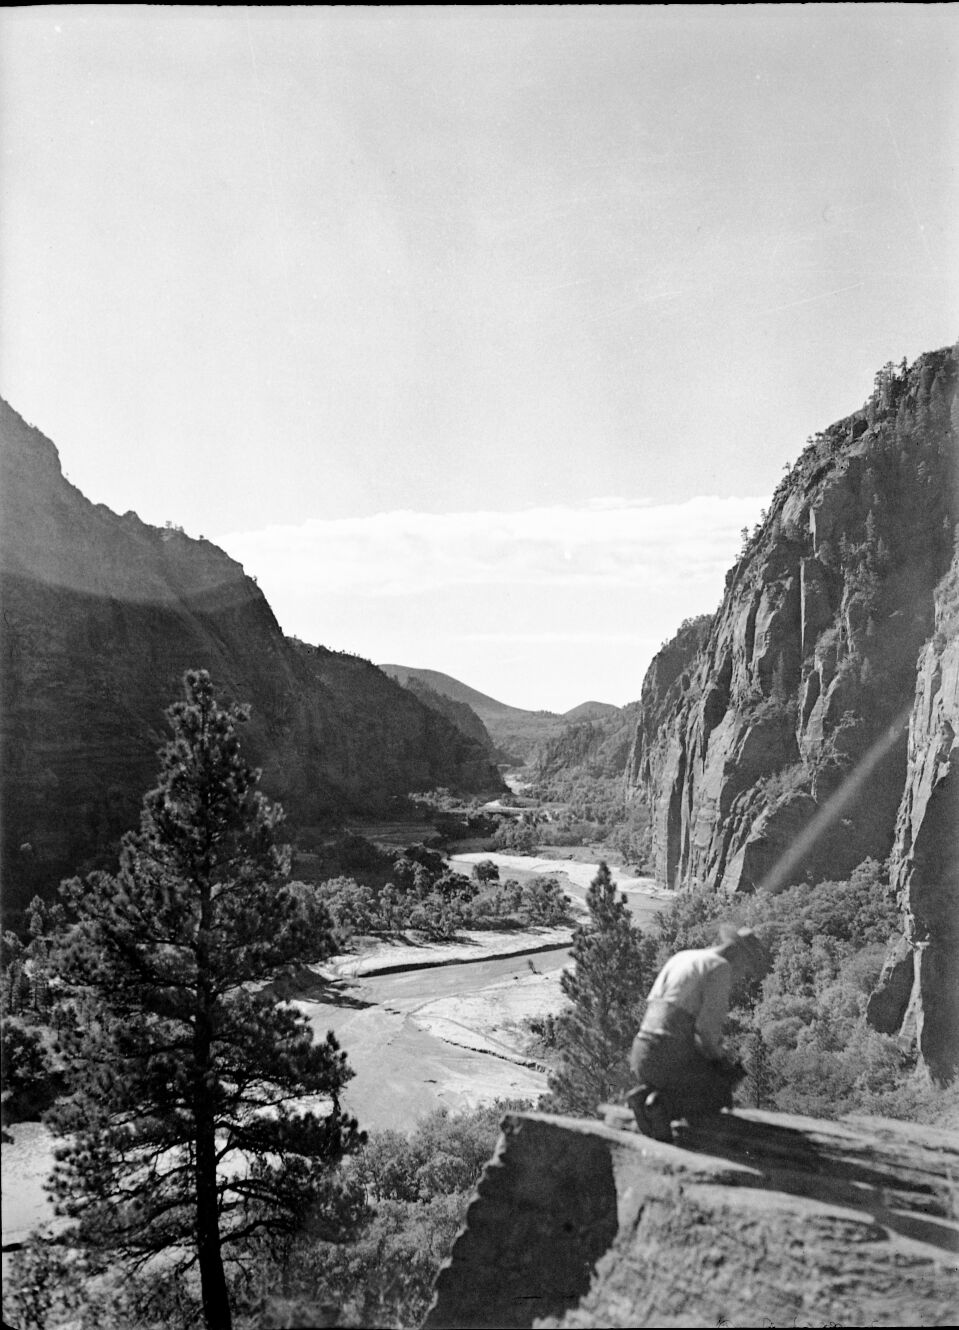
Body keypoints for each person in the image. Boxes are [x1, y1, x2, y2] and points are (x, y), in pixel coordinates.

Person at [626, 923, 769, 1142]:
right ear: (738, 954)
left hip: (641, 1053)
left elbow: (660, 1012)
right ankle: (663, 1105)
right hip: (668, 1053)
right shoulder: (720, 967)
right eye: (745, 967)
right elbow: (706, 1031)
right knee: (720, 1092)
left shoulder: (682, 957)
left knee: (698, 1079)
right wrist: (722, 1063)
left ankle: (647, 1096)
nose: (742, 975)